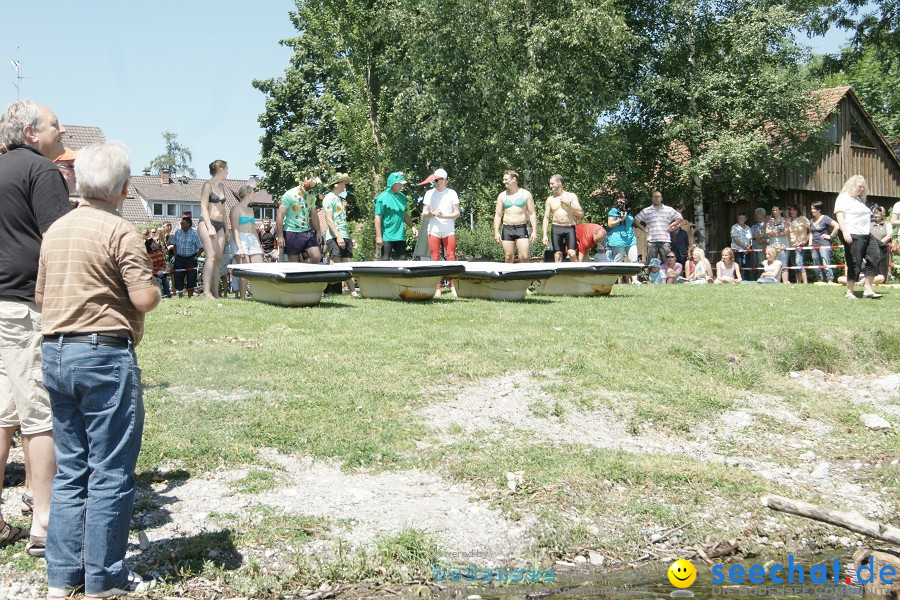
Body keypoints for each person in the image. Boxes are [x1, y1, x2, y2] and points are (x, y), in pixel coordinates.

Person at [37, 141, 158, 597]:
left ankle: (62, 575)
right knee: (110, 468)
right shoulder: (121, 231)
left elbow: (42, 299)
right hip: (103, 354)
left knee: (72, 469)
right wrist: (153, 291)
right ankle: (104, 579)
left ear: (77, 181)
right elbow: (143, 297)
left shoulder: (56, 230)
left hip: (56, 352)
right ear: (125, 189)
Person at [0, 99, 70, 556]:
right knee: (39, 412)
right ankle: (44, 520)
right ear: (30, 132)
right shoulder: (40, 172)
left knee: (3, 412)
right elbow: (60, 238)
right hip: (26, 304)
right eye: (55, 126)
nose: (62, 133)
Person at [835, 175, 881, 299]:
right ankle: (849, 291)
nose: (861, 189)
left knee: (876, 256)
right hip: (852, 233)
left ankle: (868, 289)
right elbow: (839, 216)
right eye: (859, 186)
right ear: (851, 185)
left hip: (865, 233)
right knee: (854, 261)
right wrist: (845, 232)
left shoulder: (860, 200)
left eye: (863, 187)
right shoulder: (843, 198)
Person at [323, 173, 359, 297]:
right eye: (343, 182)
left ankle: (353, 292)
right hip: (334, 235)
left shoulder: (339, 199)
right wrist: (338, 236)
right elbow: (329, 219)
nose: (345, 185)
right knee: (335, 260)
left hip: (344, 235)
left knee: (347, 263)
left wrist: (350, 237)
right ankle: (323, 290)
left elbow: (342, 221)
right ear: (337, 184)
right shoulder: (329, 198)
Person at [198, 160, 229, 299]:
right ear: (220, 169)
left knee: (217, 259)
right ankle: (206, 293)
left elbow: (223, 209)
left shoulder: (222, 186)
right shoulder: (207, 186)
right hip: (206, 223)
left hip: (220, 224)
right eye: (227, 168)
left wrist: (226, 229)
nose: (228, 171)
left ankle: (215, 293)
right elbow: (203, 207)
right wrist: (209, 226)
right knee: (210, 257)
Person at [277, 176, 323, 264]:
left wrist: (318, 231)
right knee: (294, 264)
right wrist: (280, 236)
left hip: (307, 231)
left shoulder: (312, 196)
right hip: (291, 231)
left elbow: (313, 214)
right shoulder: (289, 195)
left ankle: (301, 266)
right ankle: (297, 269)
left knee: (316, 257)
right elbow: (280, 215)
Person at [494, 169, 537, 263]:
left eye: (506, 179)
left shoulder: (526, 194)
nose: (504, 182)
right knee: (508, 257)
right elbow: (498, 215)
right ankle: (508, 277)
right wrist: (496, 232)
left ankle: (526, 277)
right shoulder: (502, 196)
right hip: (507, 228)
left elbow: (532, 213)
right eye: (503, 179)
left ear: (514, 179)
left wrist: (534, 231)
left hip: (521, 227)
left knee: (524, 256)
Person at [230, 185, 265, 300]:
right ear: (247, 194)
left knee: (258, 266)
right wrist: (240, 247)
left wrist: (259, 246)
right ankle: (243, 298)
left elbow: (254, 229)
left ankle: (258, 296)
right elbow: (234, 229)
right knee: (244, 269)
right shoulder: (236, 209)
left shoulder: (251, 210)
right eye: (253, 193)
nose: (254, 195)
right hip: (240, 237)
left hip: (252, 238)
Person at [373, 172, 417, 260]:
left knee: (402, 259)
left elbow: (404, 214)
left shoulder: (401, 197)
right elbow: (377, 217)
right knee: (385, 259)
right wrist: (378, 236)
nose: (402, 186)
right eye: (400, 184)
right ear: (393, 184)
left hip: (400, 235)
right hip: (387, 235)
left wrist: (412, 226)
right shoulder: (382, 198)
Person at [542, 174, 582, 262]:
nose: (550, 186)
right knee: (557, 254)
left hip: (569, 227)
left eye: (552, 183)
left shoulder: (571, 196)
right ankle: (558, 275)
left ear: (559, 182)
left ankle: (576, 272)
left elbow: (580, 211)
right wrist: (544, 235)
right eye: (550, 184)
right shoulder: (550, 199)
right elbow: (546, 217)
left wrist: (568, 203)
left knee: (572, 253)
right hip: (556, 227)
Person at [636, 189, 682, 264]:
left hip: (665, 241)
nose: (656, 198)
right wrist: (643, 229)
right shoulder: (646, 211)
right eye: (655, 197)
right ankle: (652, 276)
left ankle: (666, 276)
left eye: (658, 197)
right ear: (652, 198)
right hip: (652, 241)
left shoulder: (668, 210)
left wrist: (671, 225)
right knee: (651, 264)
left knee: (667, 263)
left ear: (661, 198)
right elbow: (636, 220)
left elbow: (680, 218)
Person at [169, 216, 202, 297]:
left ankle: (189, 296)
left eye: (182, 223)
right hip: (179, 258)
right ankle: (180, 295)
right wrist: (176, 255)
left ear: (188, 224)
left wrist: (195, 257)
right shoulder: (178, 232)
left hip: (191, 258)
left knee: (191, 278)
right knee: (178, 277)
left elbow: (201, 247)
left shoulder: (194, 233)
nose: (180, 224)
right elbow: (173, 243)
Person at [809, 201, 839, 283]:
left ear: (819, 209)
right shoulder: (811, 220)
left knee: (825, 262)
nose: (812, 210)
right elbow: (811, 232)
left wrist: (831, 236)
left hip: (824, 244)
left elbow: (837, 226)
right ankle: (820, 280)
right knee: (816, 263)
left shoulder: (825, 218)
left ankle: (830, 280)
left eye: (814, 209)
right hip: (814, 244)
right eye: (811, 209)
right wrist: (810, 243)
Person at [766, 206, 790, 283]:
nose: (774, 212)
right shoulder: (770, 221)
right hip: (772, 245)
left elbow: (786, 232)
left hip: (783, 245)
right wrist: (779, 232)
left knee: (783, 264)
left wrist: (775, 233)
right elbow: (767, 231)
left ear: (780, 211)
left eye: (776, 210)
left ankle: (785, 282)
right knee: (773, 264)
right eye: (773, 210)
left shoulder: (785, 220)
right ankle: (774, 281)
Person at [787, 205, 810, 284]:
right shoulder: (788, 220)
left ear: (797, 211)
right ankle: (798, 282)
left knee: (799, 262)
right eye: (791, 210)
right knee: (794, 265)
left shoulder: (803, 219)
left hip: (800, 245)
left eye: (794, 210)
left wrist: (806, 239)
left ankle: (805, 282)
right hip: (790, 245)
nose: (792, 212)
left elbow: (811, 230)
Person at [870, 206, 892, 282]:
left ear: (882, 214)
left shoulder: (887, 224)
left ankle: (885, 279)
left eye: (878, 214)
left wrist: (880, 243)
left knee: (884, 265)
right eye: (875, 213)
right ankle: (872, 279)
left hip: (884, 248)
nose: (876, 215)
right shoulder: (870, 224)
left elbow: (889, 235)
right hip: (872, 248)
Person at [749, 207, 768, 281]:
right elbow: (750, 237)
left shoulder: (767, 225)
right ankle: (758, 278)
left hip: (765, 248)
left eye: (757, 214)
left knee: (764, 264)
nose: (755, 216)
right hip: (755, 249)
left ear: (762, 214)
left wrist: (761, 239)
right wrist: (755, 237)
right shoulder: (753, 227)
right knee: (757, 264)